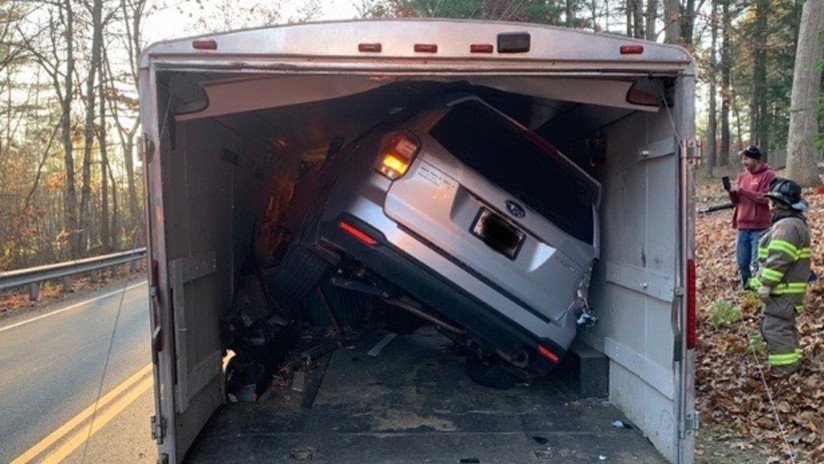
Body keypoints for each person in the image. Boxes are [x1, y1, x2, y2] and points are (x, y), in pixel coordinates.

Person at [748, 178, 811, 377]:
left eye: (772, 203)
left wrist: (766, 285)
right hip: (786, 293)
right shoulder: (793, 223)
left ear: (778, 203)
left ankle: (784, 370)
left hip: (782, 292)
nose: (770, 207)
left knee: (774, 328)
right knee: (784, 327)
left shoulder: (787, 227)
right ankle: (793, 363)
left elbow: (778, 260)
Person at [725, 145, 776, 288]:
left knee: (757, 263)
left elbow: (766, 199)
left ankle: (757, 292)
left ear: (756, 159)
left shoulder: (769, 175)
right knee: (742, 263)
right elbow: (736, 202)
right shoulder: (743, 177)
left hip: (760, 227)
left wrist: (742, 191)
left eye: (746, 158)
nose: (744, 162)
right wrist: (732, 192)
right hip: (742, 226)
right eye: (742, 159)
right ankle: (746, 290)